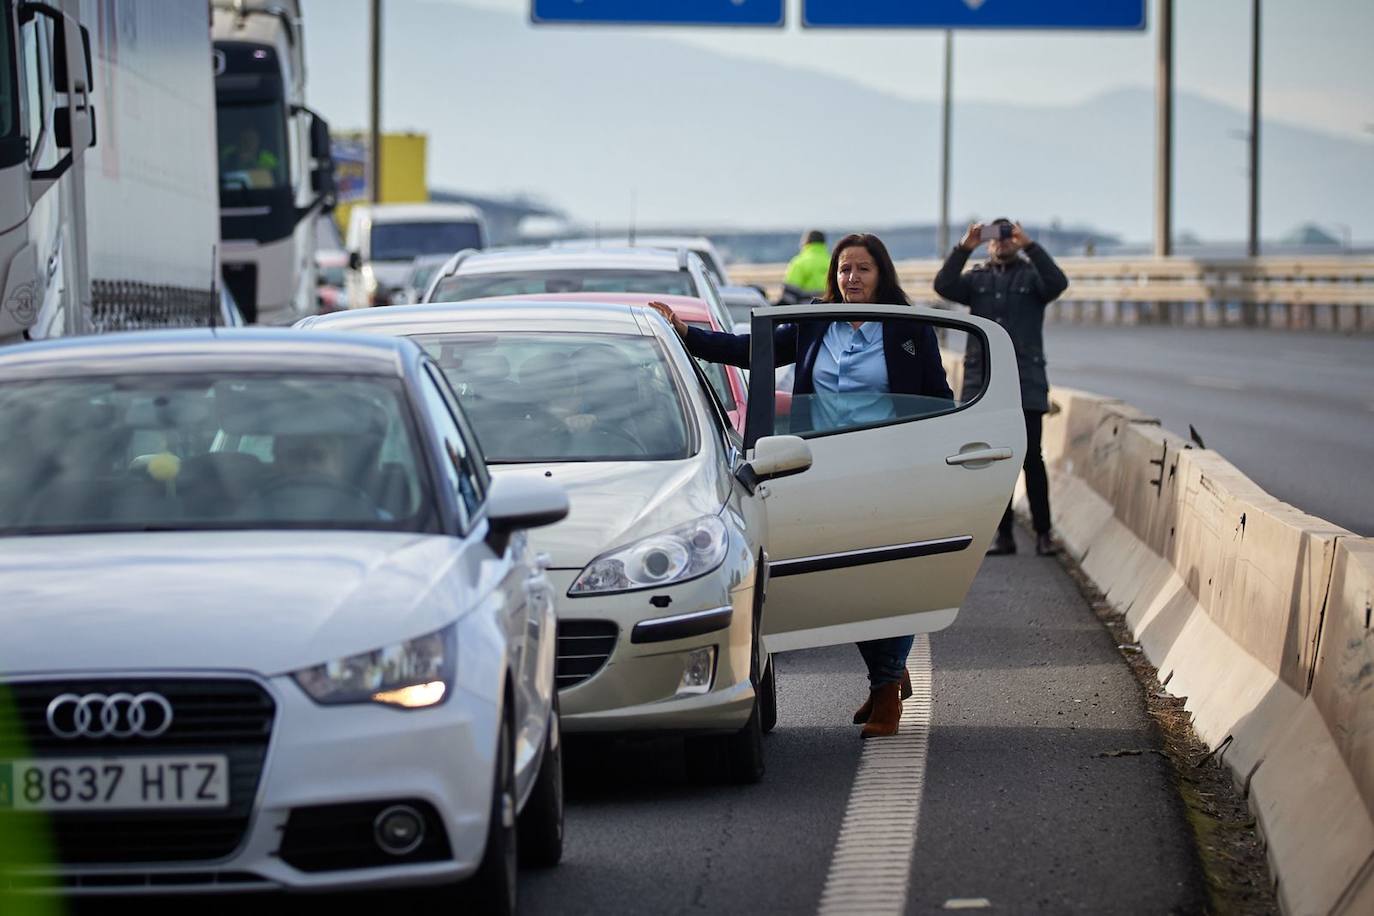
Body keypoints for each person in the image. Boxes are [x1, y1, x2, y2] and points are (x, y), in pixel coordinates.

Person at [649, 232, 951, 740]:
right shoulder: (816, 324)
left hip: (890, 472)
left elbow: (938, 399)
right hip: (826, 469)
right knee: (843, 581)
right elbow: (752, 352)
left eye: (863, 269)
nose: (851, 278)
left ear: (882, 275)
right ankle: (890, 673)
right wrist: (688, 335)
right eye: (844, 270)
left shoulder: (908, 327)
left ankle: (884, 694)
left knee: (890, 581)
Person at [933, 218, 1069, 557]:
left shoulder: (1032, 278)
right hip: (984, 381)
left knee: (1031, 458)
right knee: (992, 462)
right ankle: (1003, 535)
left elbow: (1057, 283)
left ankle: (1043, 533)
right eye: (995, 237)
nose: (1002, 242)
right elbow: (943, 284)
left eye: (1007, 236)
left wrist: (1029, 245)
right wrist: (966, 246)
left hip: (1025, 380)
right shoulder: (977, 279)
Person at [779, 230, 829, 304]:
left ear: (805, 243)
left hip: (805, 311)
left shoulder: (799, 262)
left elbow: (789, 296)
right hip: (830, 310)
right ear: (823, 243)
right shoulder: (832, 261)